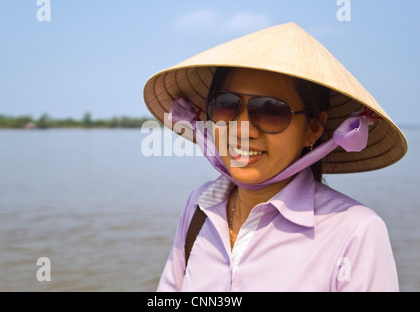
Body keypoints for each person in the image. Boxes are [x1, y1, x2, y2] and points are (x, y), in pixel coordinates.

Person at [143, 22, 407, 291]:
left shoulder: (356, 232)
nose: (242, 130)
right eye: (226, 105)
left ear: (313, 129)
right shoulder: (198, 208)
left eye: (271, 110)